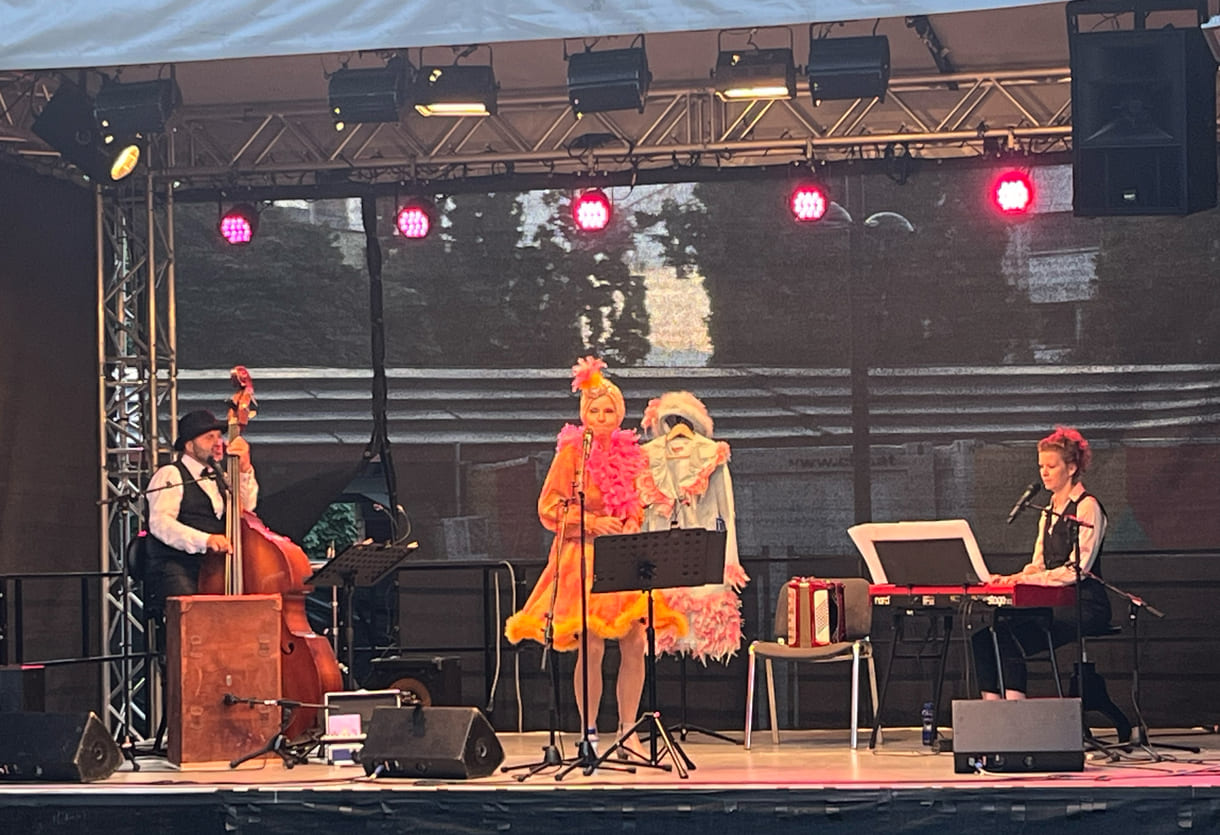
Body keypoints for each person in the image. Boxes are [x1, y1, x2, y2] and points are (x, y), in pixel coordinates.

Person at [504, 357, 687, 750]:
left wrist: (630, 520)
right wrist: (590, 522)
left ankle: (627, 730)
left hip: (622, 555)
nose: (602, 417)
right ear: (583, 414)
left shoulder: (631, 454)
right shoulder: (571, 454)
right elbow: (548, 508)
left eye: (609, 411)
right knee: (591, 643)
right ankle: (588, 732)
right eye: (594, 410)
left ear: (619, 415)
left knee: (636, 640)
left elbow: (638, 501)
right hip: (581, 558)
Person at [972, 426, 1111, 699]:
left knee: (1008, 634)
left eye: (1051, 466)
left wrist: (1027, 579)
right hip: (1056, 601)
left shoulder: (1087, 506)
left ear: (1071, 468)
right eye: (1041, 466)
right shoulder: (1046, 510)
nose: (1044, 472)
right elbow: (1039, 564)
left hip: (1085, 603)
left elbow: (1076, 570)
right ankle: (992, 710)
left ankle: (1016, 707)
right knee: (985, 636)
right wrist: (1013, 578)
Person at [637, 391, 749, 664]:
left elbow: (726, 514)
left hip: (702, 551)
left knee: (702, 612)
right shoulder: (645, 458)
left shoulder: (713, 455)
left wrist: (727, 562)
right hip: (660, 552)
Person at [143, 409, 259, 617]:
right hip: (178, 567)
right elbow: (161, 524)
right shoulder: (170, 474)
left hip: (214, 568)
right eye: (209, 437)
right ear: (189, 445)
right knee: (195, 617)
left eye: (219, 436)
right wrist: (206, 540)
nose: (219, 443)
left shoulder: (221, 477)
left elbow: (247, 509)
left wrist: (244, 469)